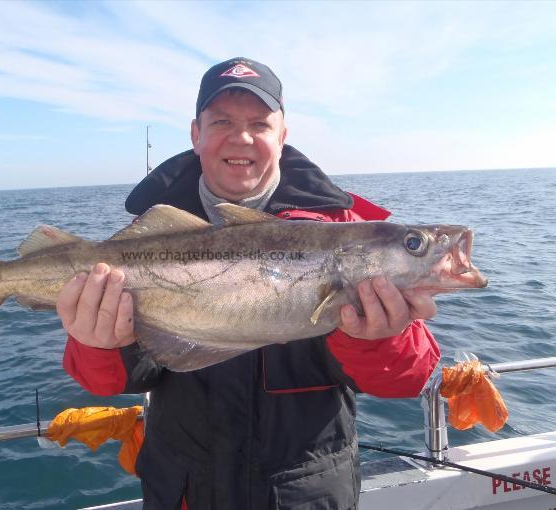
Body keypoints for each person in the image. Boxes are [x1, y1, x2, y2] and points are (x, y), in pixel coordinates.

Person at [57, 57, 440, 510]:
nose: (241, 138)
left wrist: (380, 339)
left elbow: (406, 380)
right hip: (182, 491)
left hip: (306, 493)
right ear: (196, 133)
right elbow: (119, 378)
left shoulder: (348, 232)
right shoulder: (150, 235)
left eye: (260, 123)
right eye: (222, 121)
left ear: (282, 135)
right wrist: (99, 346)